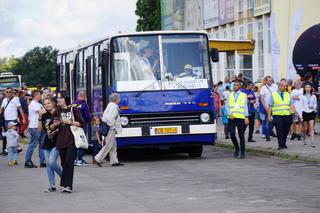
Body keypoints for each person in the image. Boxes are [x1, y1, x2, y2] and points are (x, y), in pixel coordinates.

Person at [50, 91, 83, 193]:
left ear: (66, 99)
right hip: (61, 140)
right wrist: (54, 125)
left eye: (60, 98)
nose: (58, 100)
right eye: (57, 98)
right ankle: (65, 185)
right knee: (64, 163)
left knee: (69, 161)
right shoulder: (56, 111)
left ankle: (68, 186)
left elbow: (81, 123)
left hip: (72, 139)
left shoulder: (74, 109)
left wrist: (71, 122)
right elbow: (50, 127)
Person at [94, 93, 124, 167]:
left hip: (109, 128)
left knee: (113, 145)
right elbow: (110, 119)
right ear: (116, 99)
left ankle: (114, 161)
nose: (120, 99)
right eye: (119, 98)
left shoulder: (110, 105)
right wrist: (113, 126)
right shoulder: (114, 107)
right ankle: (98, 158)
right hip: (111, 128)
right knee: (108, 145)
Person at [268, 81, 299, 150]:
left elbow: (291, 105)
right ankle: (280, 144)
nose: (286, 87)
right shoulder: (273, 95)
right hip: (277, 115)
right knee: (279, 130)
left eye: (286, 86)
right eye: (284, 86)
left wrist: (295, 111)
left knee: (285, 131)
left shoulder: (288, 94)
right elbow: (270, 106)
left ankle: (284, 143)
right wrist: (269, 116)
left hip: (287, 115)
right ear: (280, 86)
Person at [40, 97, 62, 192]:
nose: (47, 105)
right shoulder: (44, 115)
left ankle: (64, 177)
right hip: (47, 141)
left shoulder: (58, 113)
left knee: (52, 162)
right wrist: (39, 118)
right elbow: (43, 129)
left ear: (53, 103)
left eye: (48, 103)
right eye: (45, 104)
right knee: (48, 164)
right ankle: (52, 186)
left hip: (57, 141)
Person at [226, 80, 249, 159]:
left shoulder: (244, 95)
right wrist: (229, 113)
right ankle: (237, 148)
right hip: (232, 117)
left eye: (236, 85)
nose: (235, 86)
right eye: (234, 85)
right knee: (232, 134)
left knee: (241, 135)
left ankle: (242, 152)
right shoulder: (230, 95)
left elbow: (245, 106)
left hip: (240, 117)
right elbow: (226, 106)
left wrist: (246, 117)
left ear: (240, 86)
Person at [0, 87, 26, 156]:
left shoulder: (16, 99)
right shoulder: (4, 100)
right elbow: (1, 109)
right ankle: (17, 147)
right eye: (7, 92)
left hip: (13, 119)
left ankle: (7, 149)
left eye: (10, 92)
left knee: (11, 134)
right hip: (6, 120)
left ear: (12, 92)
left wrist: (23, 118)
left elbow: (20, 109)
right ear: (5, 92)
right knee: (10, 135)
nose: (8, 93)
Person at [24, 90, 46, 168]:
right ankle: (28, 161)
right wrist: (46, 110)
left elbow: (44, 111)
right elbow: (42, 112)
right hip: (35, 127)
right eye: (40, 94)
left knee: (42, 145)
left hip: (40, 126)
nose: (41, 96)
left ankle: (42, 161)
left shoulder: (39, 104)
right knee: (33, 144)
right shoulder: (33, 104)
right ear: (36, 95)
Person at [72, 91, 91, 166]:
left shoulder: (73, 104)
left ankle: (74, 159)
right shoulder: (84, 104)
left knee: (75, 142)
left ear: (78, 96)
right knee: (81, 142)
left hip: (73, 125)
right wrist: (91, 118)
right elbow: (87, 115)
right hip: (82, 125)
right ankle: (79, 159)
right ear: (85, 96)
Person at [259, 76, 277, 141]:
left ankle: (271, 132)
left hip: (275, 107)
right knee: (268, 121)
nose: (270, 81)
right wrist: (265, 107)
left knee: (274, 121)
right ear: (266, 81)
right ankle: (267, 135)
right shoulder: (263, 88)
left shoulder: (275, 86)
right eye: (269, 80)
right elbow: (262, 98)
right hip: (268, 107)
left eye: (271, 80)